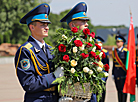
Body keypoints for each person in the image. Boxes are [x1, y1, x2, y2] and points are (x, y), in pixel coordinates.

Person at [14, 3, 64, 102]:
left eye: (47, 24)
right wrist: (53, 76)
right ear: (32, 27)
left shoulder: (50, 49)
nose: (47, 28)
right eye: (42, 25)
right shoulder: (25, 50)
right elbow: (29, 84)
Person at [60, 2, 97, 102]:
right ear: (72, 25)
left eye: (86, 21)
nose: (87, 24)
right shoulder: (66, 46)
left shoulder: (90, 44)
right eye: (83, 21)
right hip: (73, 96)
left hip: (90, 94)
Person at [112, 34, 127, 102]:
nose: (117, 43)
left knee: (123, 91)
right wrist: (112, 73)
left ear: (122, 42)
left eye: (119, 41)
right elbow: (114, 63)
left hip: (123, 74)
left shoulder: (125, 51)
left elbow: (127, 63)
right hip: (116, 74)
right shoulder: (114, 51)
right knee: (118, 90)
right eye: (117, 41)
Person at [95, 36, 109, 102]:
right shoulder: (93, 51)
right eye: (96, 43)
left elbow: (106, 65)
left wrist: (105, 76)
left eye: (99, 43)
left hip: (102, 74)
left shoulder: (105, 52)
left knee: (102, 90)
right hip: (95, 74)